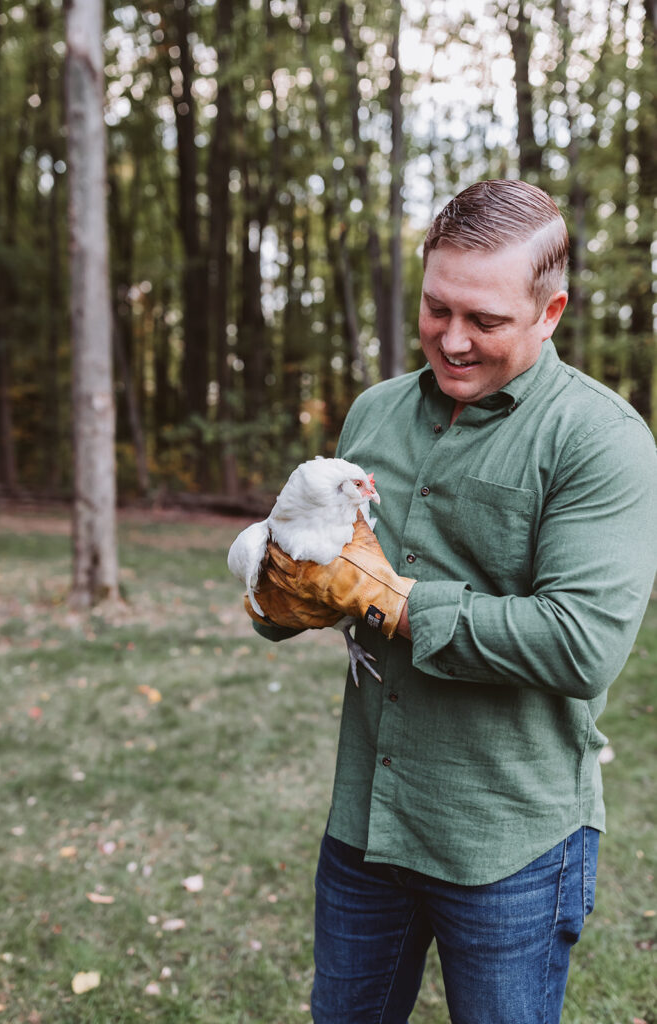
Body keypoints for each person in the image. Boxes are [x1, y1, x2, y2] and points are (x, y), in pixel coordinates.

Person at [248, 179, 657, 1023]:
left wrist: (391, 600)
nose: (453, 340)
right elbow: (319, 579)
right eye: (437, 309)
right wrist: (279, 591)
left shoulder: (601, 441)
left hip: (508, 842)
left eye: (485, 320)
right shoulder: (373, 414)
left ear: (549, 313)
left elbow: (581, 645)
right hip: (366, 820)